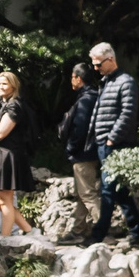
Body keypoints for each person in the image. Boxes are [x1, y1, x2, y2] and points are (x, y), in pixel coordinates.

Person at [84, 43, 139, 243]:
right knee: (120, 191)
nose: (95, 68)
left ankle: (98, 234)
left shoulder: (126, 82)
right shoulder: (106, 82)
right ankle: (137, 232)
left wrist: (112, 138)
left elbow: (128, 113)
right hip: (103, 144)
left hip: (114, 144)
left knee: (108, 190)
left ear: (110, 60)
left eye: (98, 64)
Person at [0, 69, 36, 235]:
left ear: (13, 86)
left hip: (7, 156)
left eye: (5, 83)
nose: (1, 86)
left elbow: (1, 133)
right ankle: (29, 230)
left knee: (5, 200)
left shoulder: (14, 106)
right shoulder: (0, 103)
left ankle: (5, 238)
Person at [59, 62, 101, 229]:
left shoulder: (86, 99)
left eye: (72, 77)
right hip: (90, 151)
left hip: (83, 153)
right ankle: (78, 230)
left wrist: (71, 148)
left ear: (79, 78)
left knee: (88, 194)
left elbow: (80, 128)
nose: (71, 80)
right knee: (81, 194)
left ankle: (102, 229)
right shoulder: (94, 96)